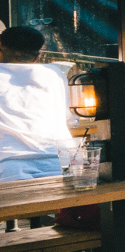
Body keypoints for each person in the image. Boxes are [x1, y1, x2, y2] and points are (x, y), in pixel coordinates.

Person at [0, 26, 73, 181]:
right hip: (58, 162)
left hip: (7, 167)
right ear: (37, 56)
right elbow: (70, 119)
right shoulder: (54, 74)